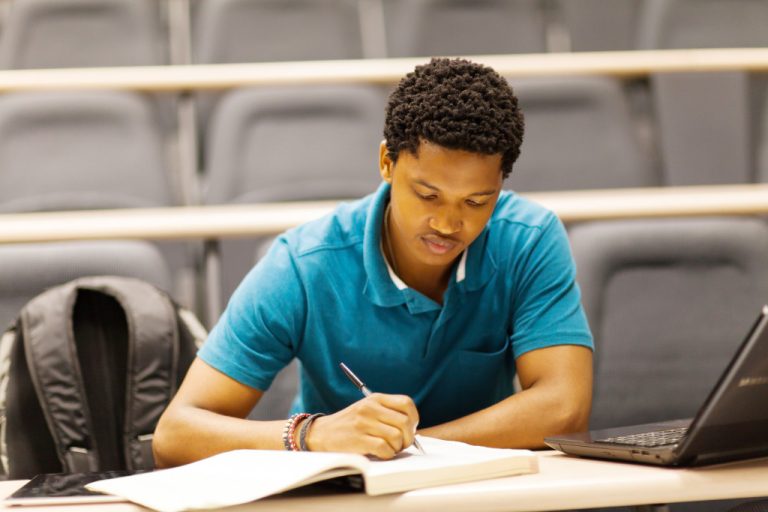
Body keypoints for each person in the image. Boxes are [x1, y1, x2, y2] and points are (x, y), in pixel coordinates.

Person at [153, 57, 594, 467]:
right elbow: (175, 436)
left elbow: (564, 408)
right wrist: (314, 435)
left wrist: (410, 448)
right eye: (427, 195)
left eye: (477, 201)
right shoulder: (304, 264)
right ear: (386, 161)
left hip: (481, 494)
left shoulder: (530, 239)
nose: (447, 223)